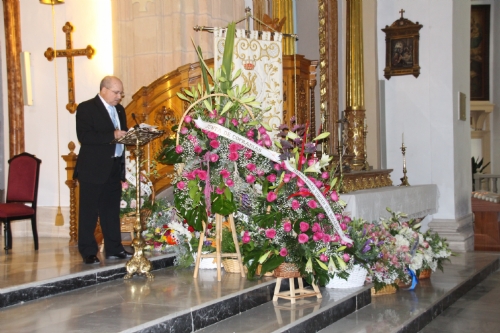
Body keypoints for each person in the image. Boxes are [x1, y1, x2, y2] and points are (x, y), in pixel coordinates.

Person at [74, 76, 132, 264]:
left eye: (121, 93)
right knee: (89, 212)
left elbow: (122, 132)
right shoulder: (86, 108)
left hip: (114, 166)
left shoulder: (120, 110)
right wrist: (112, 135)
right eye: (116, 92)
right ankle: (88, 251)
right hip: (93, 168)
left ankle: (114, 248)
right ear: (104, 90)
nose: (119, 96)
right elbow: (85, 136)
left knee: (111, 211)